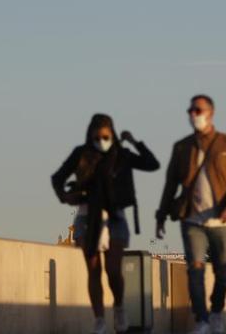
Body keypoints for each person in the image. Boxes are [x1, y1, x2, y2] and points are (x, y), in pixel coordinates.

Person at [51, 114, 160, 334]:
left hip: (115, 218)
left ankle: (119, 306)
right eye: (97, 136)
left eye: (106, 136)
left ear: (112, 134)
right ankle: (99, 319)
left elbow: (152, 164)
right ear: (90, 135)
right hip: (86, 217)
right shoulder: (81, 153)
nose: (101, 140)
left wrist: (134, 141)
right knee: (93, 270)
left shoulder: (121, 154)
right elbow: (57, 178)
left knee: (113, 269)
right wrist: (65, 196)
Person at [155, 95, 226, 334]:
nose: (193, 114)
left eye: (198, 110)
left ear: (211, 113)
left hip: (222, 219)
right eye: (191, 110)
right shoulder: (182, 147)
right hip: (191, 219)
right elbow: (170, 184)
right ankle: (202, 319)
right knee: (195, 269)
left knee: (223, 271)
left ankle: (216, 312)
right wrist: (161, 215)